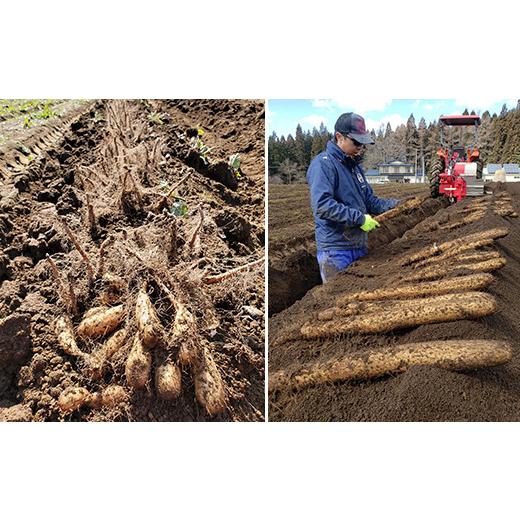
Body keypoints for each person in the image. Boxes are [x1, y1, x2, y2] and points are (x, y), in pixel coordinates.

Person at [307, 112, 399, 283]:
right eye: (356, 142)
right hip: (336, 250)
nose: (360, 147)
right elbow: (322, 205)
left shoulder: (354, 168)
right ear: (339, 137)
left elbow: (369, 201)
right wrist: (359, 219)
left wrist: (396, 205)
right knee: (338, 300)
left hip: (359, 245)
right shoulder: (323, 164)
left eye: (363, 143)